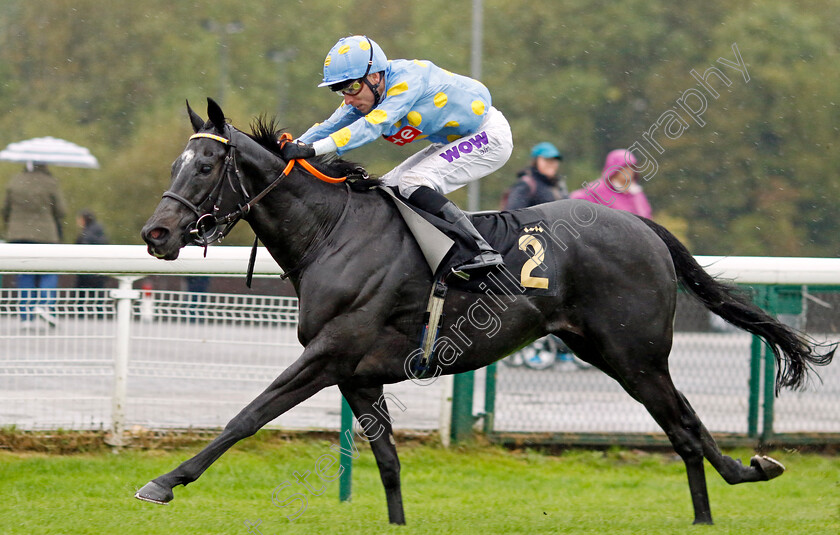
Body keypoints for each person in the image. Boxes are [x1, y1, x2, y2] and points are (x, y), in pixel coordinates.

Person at [282, 35, 514, 274]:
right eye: (340, 90)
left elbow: (373, 125)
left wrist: (313, 150)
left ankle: (479, 249)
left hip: (489, 134)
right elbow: (331, 125)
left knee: (413, 182)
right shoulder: (367, 92)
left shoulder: (407, 81)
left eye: (351, 87)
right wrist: (292, 145)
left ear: (374, 76)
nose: (348, 99)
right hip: (456, 139)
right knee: (387, 189)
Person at [2, 163, 66, 326]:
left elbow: (4, 209)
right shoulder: (50, 182)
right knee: (49, 271)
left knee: (25, 273)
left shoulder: (16, 180)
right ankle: (45, 305)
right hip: (45, 234)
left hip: (18, 234)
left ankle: (26, 316)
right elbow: (61, 211)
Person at [569, 148, 652, 218]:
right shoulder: (596, 190)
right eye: (624, 166)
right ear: (613, 169)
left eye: (631, 166)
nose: (628, 170)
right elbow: (574, 204)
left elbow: (647, 218)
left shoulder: (637, 193)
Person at [504, 142, 568, 210]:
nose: (551, 163)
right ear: (536, 161)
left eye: (554, 160)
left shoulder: (558, 185)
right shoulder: (526, 185)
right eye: (547, 160)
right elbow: (512, 214)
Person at [75, 209, 109, 288]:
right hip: (99, 272)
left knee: (82, 295)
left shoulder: (86, 235)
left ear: (84, 220)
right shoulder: (99, 232)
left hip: (87, 274)